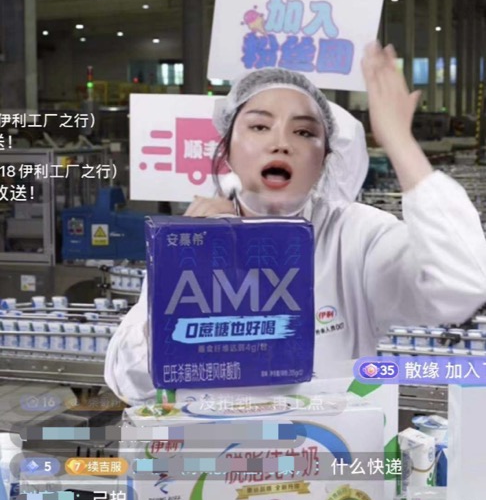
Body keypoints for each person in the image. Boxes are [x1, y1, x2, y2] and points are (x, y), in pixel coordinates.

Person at [105, 42, 486, 406]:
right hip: (214, 447)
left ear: (325, 160)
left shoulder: (354, 236)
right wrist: (192, 265)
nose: (281, 143)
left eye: (304, 132)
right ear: (228, 150)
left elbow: (461, 284)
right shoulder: (190, 240)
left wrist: (400, 141)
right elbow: (129, 381)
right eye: (259, 126)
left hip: (328, 447)